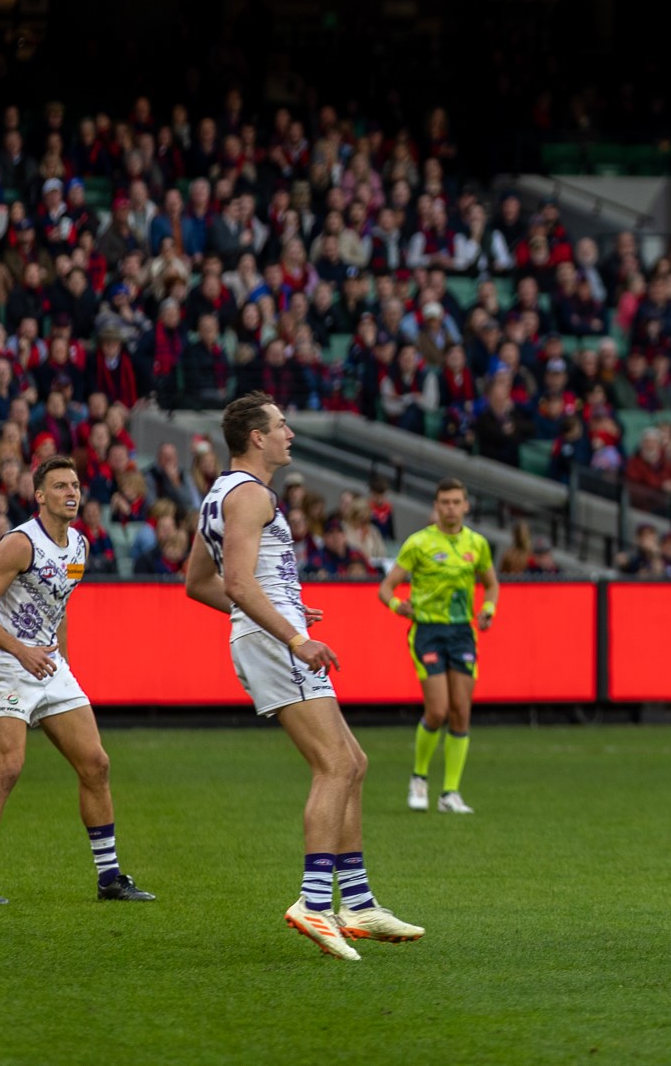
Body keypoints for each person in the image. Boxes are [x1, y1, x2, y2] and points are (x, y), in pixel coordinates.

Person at [185, 393, 421, 959]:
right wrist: (293, 635)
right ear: (256, 437)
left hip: (270, 636)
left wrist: (286, 610)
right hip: (277, 647)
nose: (289, 433)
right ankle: (314, 902)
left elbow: (198, 582)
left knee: (353, 763)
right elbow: (238, 583)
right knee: (334, 765)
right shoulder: (250, 494)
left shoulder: (220, 494)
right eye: (281, 425)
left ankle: (357, 902)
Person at [0, 454, 155, 905]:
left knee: (96, 764)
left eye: (75, 485)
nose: (71, 493)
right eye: (61, 486)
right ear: (39, 496)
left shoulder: (79, 546)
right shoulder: (20, 544)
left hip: (48, 664)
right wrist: (21, 651)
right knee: (8, 767)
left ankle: (109, 878)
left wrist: (63, 663)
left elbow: (59, 606)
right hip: (8, 663)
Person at [381, 478, 496, 814]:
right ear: (436, 506)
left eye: (456, 502)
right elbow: (386, 588)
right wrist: (397, 605)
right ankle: (419, 778)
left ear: (466, 506)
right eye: (444, 502)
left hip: (461, 633)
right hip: (428, 631)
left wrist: (488, 609)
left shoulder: (477, 543)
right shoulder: (419, 543)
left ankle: (450, 793)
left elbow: (491, 584)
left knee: (461, 711)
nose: (450, 508)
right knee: (438, 710)